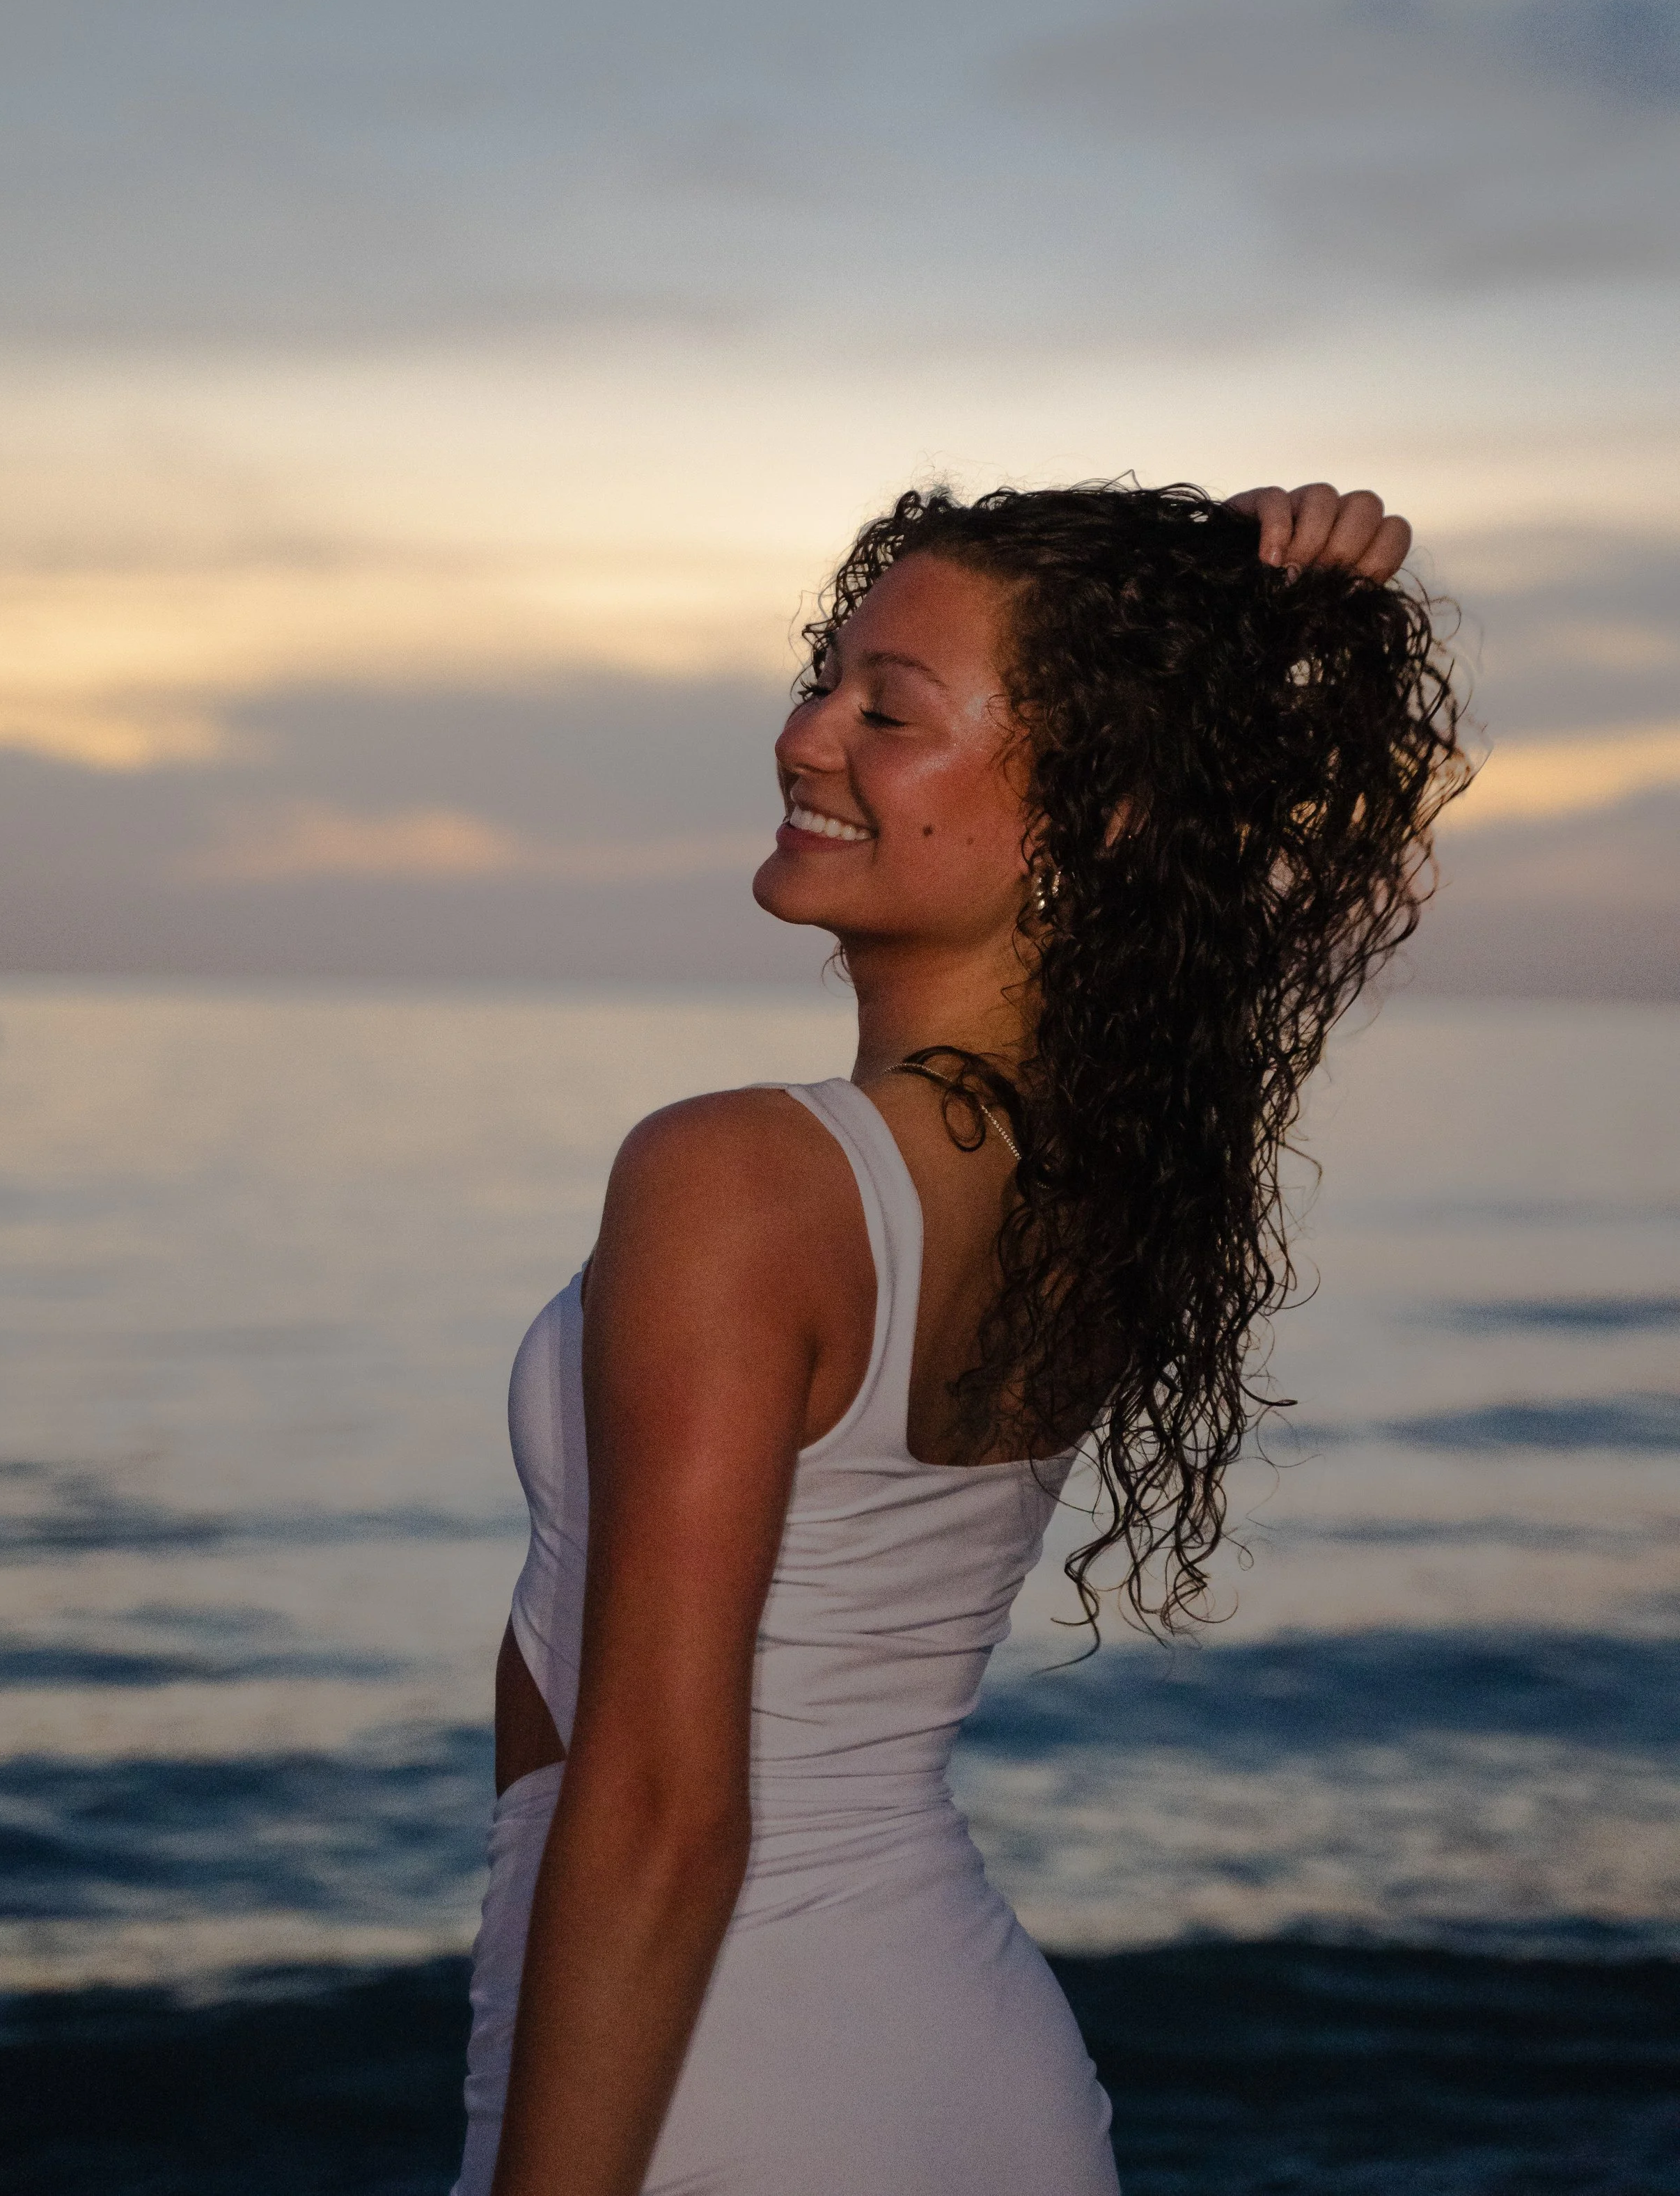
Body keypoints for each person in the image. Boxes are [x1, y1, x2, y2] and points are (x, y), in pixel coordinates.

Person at [450, 478, 1468, 2196]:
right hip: (941, 2066)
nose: (803, 737)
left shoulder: (743, 1178)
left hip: (719, 2077)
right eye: (825, 679)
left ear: (1097, 801)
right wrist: (1218, 601)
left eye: (887, 710)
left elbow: (655, 1809)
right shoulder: (1093, 1168)